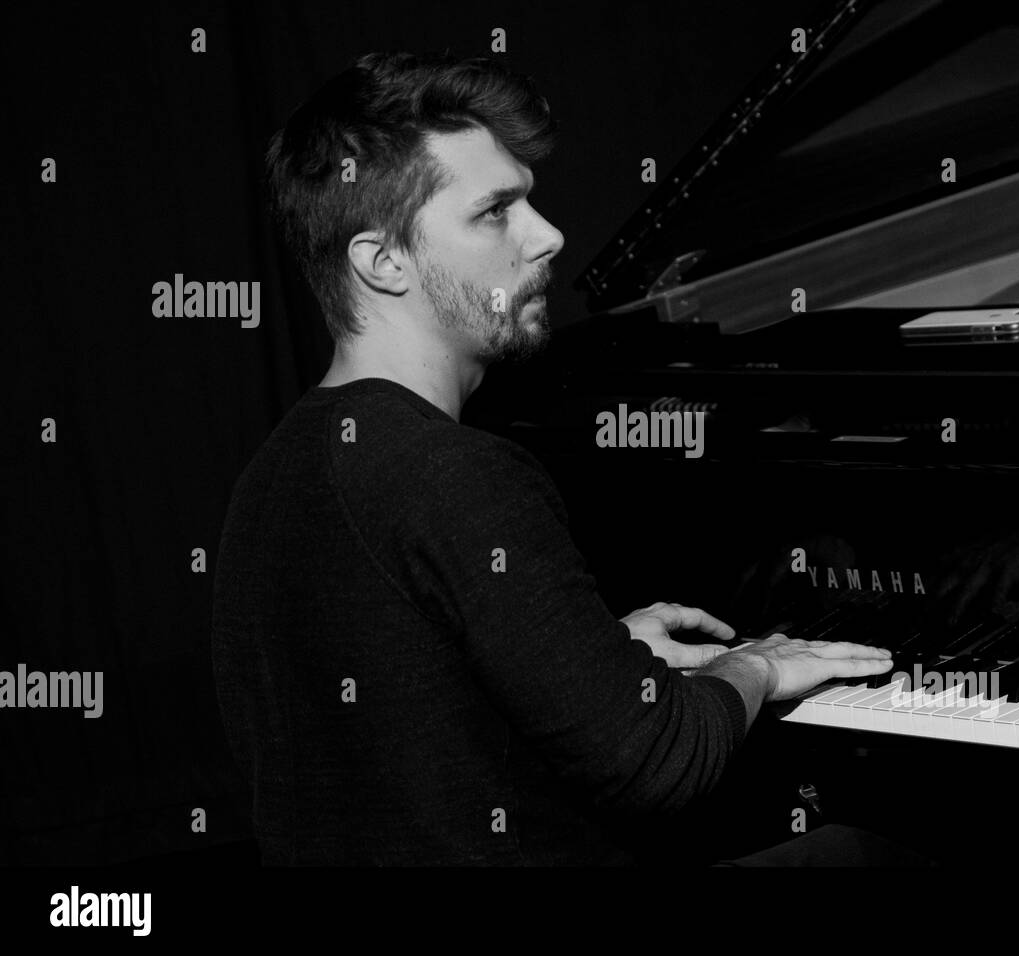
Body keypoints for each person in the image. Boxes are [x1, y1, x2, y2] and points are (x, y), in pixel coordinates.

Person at [210, 51, 895, 866]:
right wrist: (756, 667)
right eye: (495, 212)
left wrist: (593, 654)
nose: (549, 235)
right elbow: (658, 762)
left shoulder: (275, 472)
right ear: (382, 262)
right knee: (883, 853)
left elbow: (404, 717)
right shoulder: (453, 471)